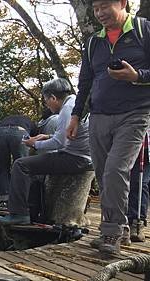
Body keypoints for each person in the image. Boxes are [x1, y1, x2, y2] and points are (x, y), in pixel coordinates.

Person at [67, 0, 150, 256]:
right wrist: (75, 115)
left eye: (105, 6)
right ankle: (119, 227)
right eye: (95, 8)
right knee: (104, 173)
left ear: (123, 3)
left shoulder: (143, 31)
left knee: (116, 169)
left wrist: (137, 77)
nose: (100, 13)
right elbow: (85, 81)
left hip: (135, 113)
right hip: (99, 115)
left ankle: (111, 233)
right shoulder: (93, 42)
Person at [0, 79, 92, 225]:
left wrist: (34, 144)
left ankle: (19, 214)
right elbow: (68, 135)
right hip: (82, 155)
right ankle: (34, 210)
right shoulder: (74, 102)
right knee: (34, 168)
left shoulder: (67, 110)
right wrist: (47, 136)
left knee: (20, 165)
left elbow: (59, 143)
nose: (46, 104)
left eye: (46, 100)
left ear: (53, 97)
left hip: (75, 158)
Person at [0, 114, 38, 208]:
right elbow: (35, 142)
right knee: (22, 167)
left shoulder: (6, 119)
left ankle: (3, 200)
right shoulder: (31, 123)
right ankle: (21, 200)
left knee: (3, 167)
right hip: (20, 132)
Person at [126, 133, 150, 242]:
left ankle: (137, 222)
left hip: (145, 146)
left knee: (139, 183)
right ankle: (118, 221)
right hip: (127, 141)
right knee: (122, 183)